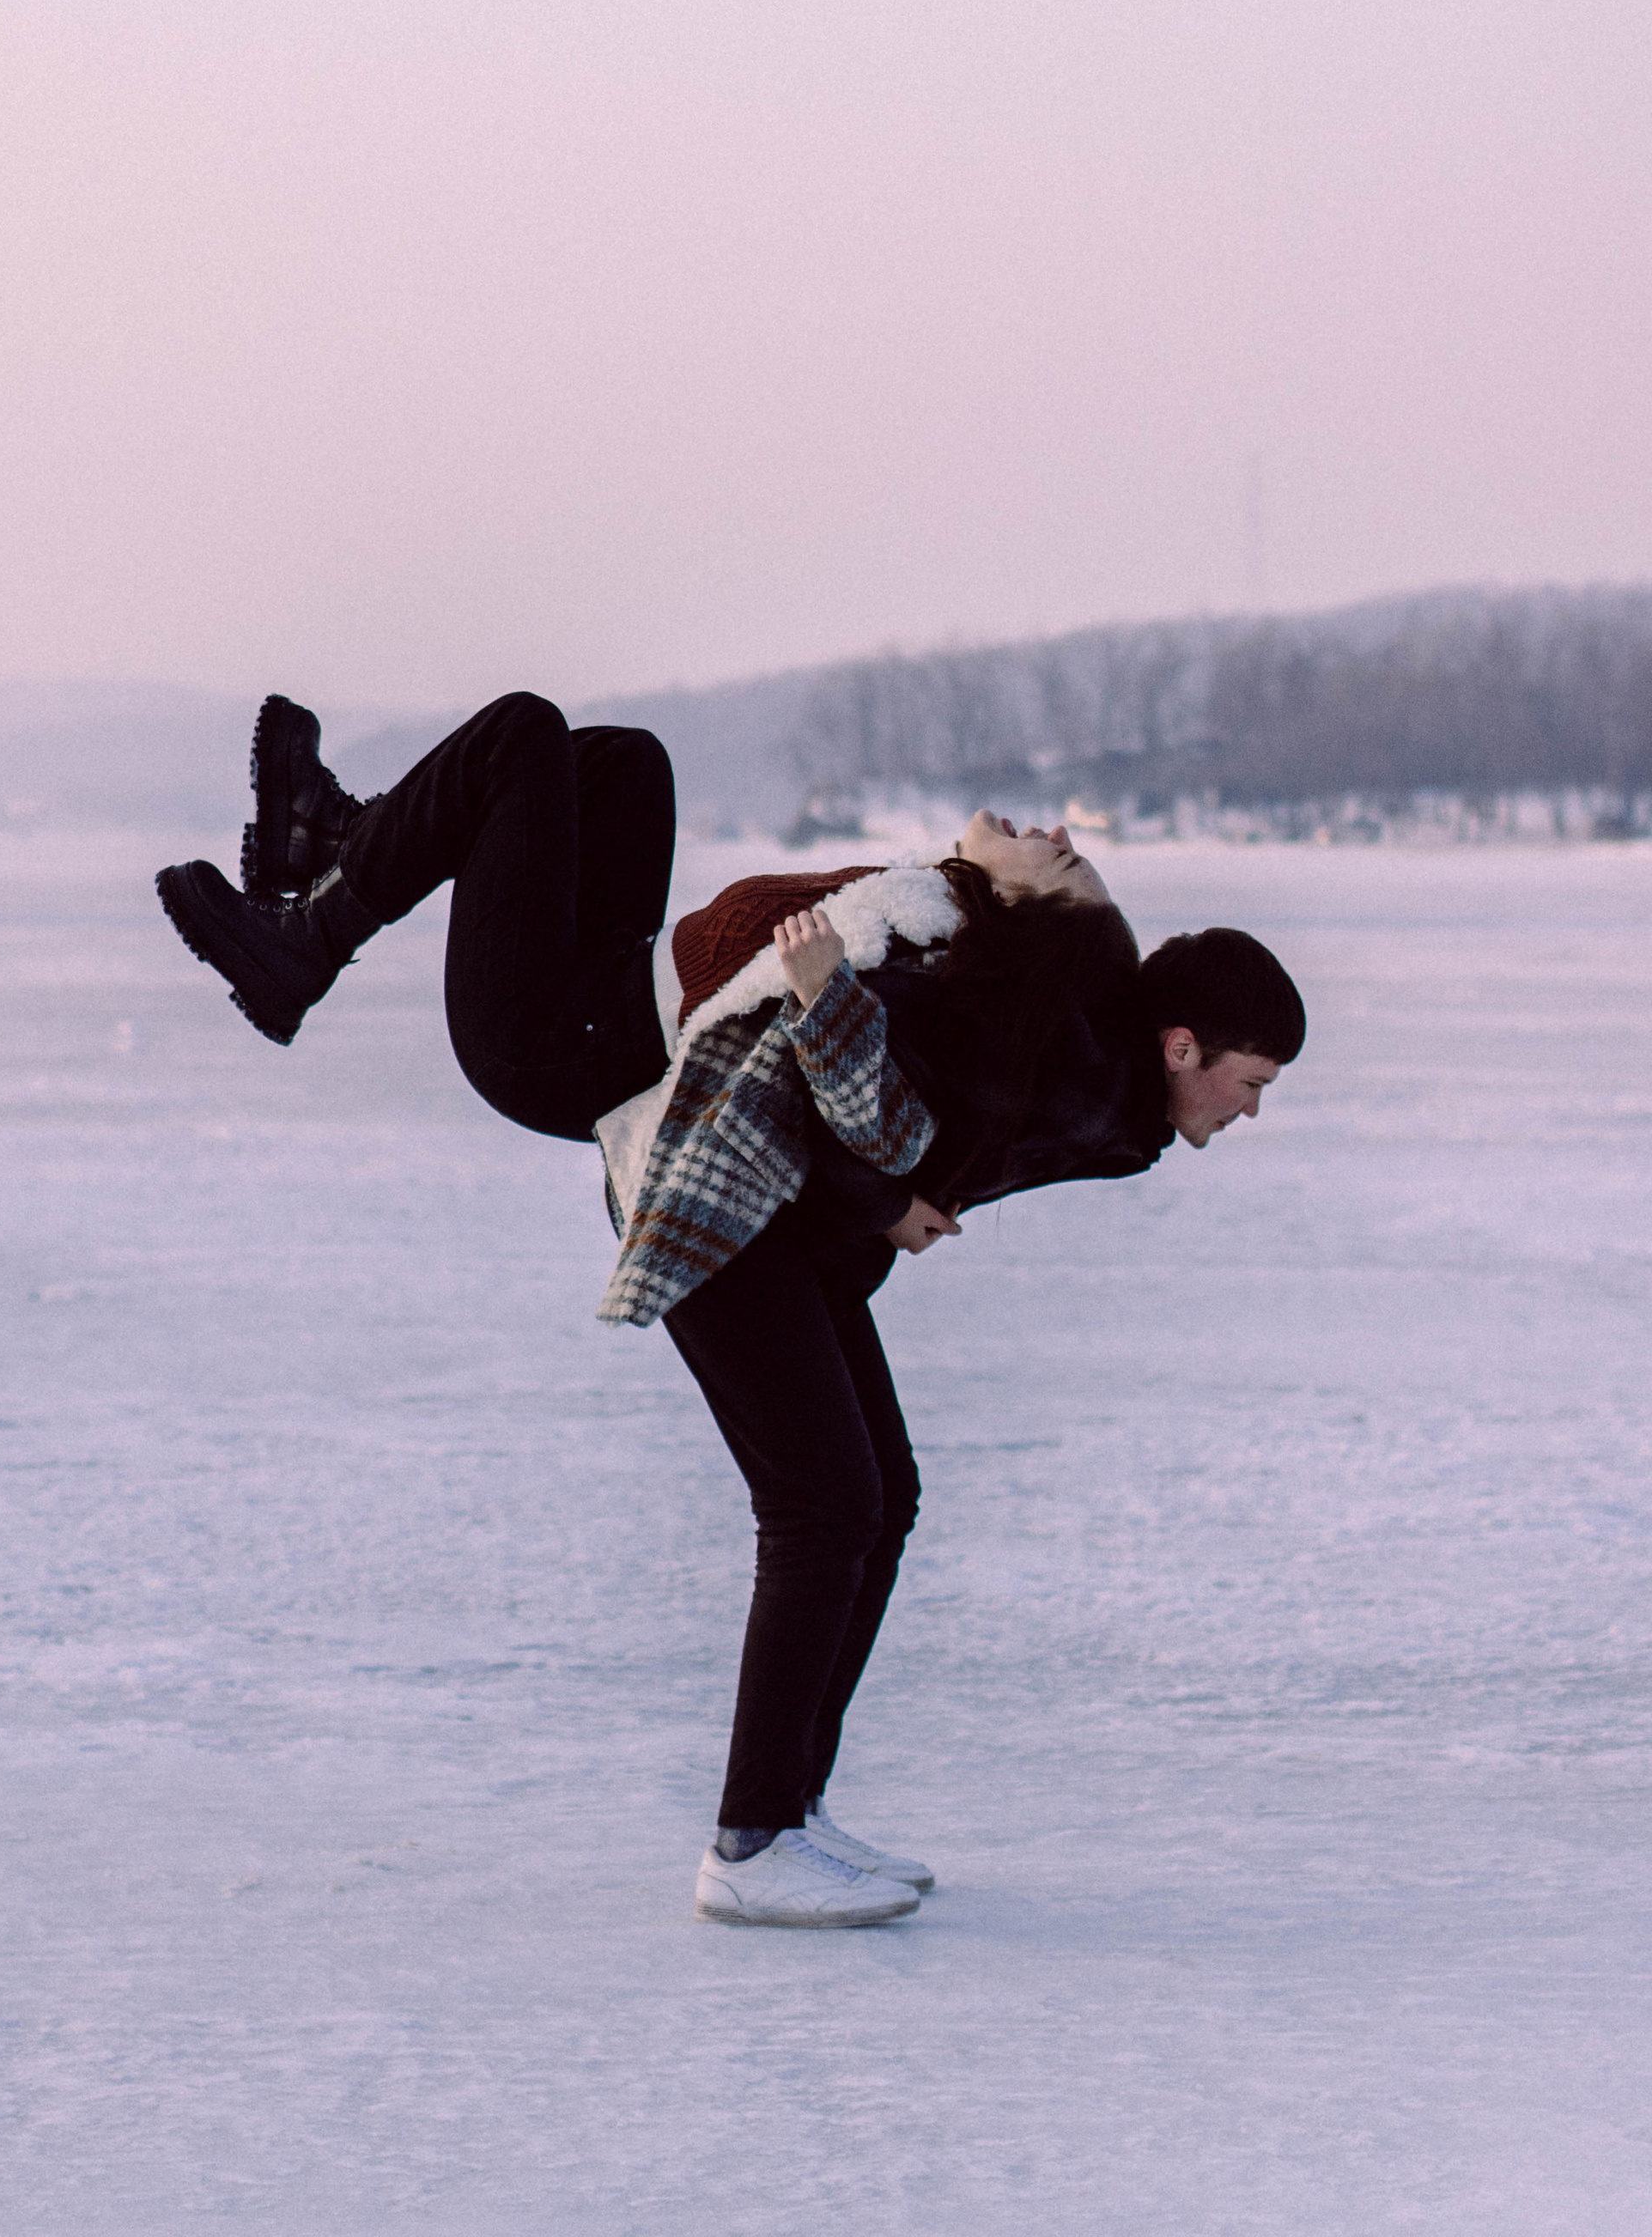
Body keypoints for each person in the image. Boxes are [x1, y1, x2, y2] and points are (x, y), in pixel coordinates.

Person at [157, 692, 1307, 1930]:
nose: (1251, 1114)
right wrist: (897, 1190)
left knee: (856, 1500)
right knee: (612, 761)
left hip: (593, 1057)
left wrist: (894, 1188)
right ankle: (767, 1832)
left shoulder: (1066, 1044)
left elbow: (914, 1112)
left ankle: (312, 916)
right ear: (1185, 1046)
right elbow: (925, 1117)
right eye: (1251, 1085)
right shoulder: (1028, 997)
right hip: (618, 1049)